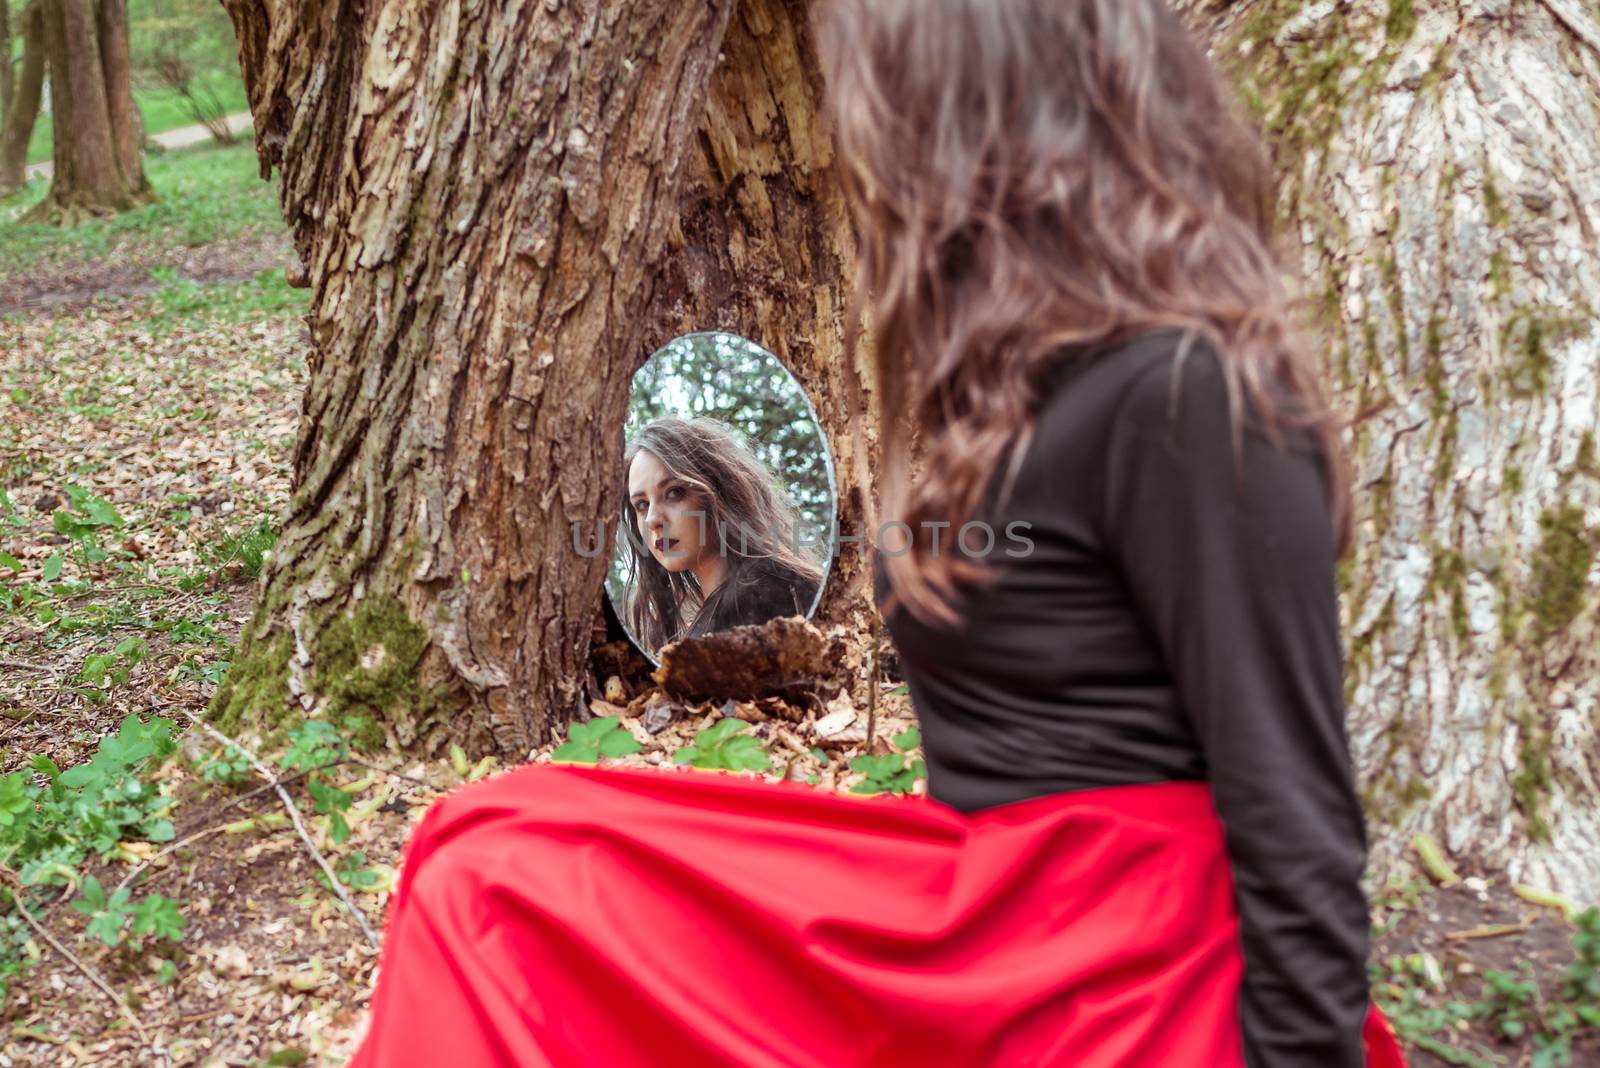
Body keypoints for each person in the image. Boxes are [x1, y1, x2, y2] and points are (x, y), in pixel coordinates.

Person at [344, 1, 1409, 1066]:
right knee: (494, 859)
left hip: (1123, 973)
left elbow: (1296, 813)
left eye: (876, 98)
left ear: (975, 113)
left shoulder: (1189, 394)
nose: (859, 140)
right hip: (989, 919)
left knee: (489, 875)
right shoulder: (1014, 373)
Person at [620, 416, 825, 656]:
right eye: (642, 505)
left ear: (718, 492)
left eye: (674, 492)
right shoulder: (728, 608)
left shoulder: (763, 593)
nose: (652, 519)